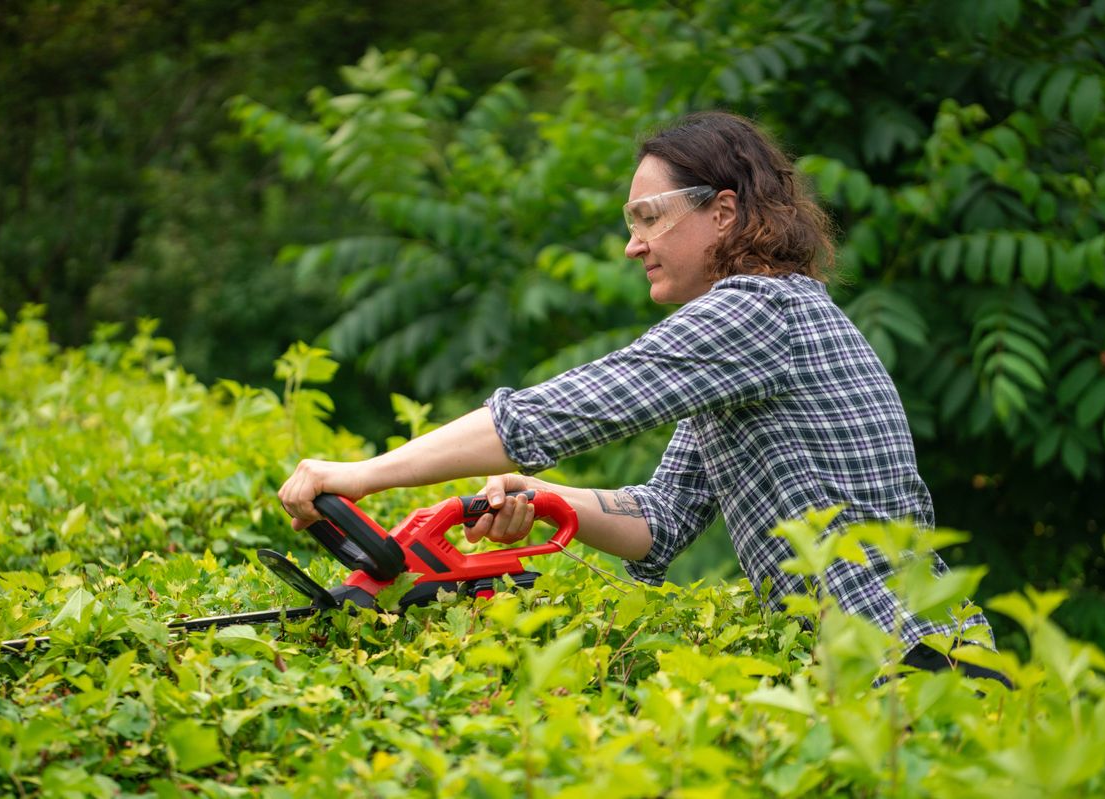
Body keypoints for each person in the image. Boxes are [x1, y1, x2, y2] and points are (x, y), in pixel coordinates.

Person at [279, 111, 1005, 684]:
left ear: (723, 212)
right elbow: (661, 521)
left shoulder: (759, 311)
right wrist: (546, 496)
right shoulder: (749, 343)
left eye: (648, 216)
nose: (633, 243)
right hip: (888, 667)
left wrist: (357, 474)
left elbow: (551, 413)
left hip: (918, 663)